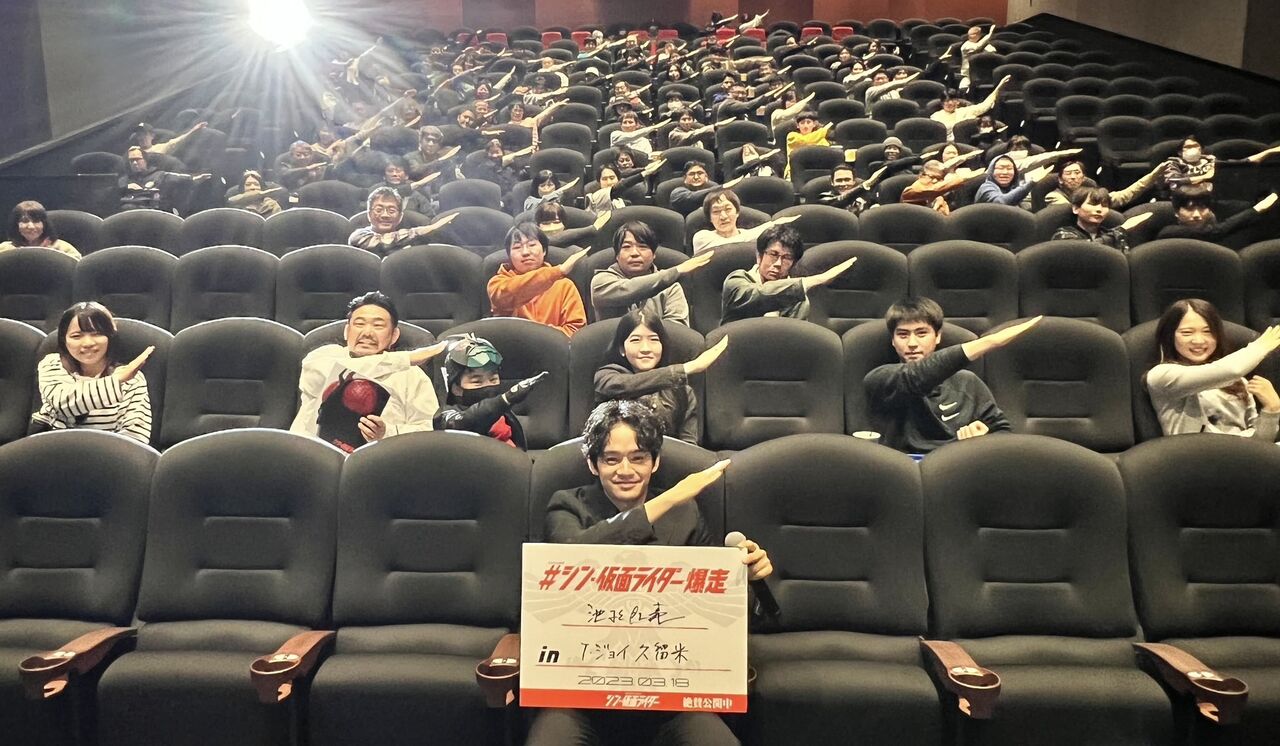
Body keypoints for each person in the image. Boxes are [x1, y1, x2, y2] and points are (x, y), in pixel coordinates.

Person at [530, 399, 770, 745]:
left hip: (672, 695)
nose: (625, 470)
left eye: (638, 458)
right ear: (593, 464)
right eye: (611, 459)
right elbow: (576, 558)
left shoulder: (686, 513)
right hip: (579, 697)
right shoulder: (566, 505)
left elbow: (718, 614)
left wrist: (750, 582)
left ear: (655, 462)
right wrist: (667, 500)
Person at [864, 298, 1042, 454]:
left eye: (921, 333)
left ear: (937, 336)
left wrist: (983, 437)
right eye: (903, 335)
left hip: (957, 467)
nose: (912, 343)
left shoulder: (967, 382)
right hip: (903, 468)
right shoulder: (879, 379)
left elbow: (1002, 432)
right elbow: (917, 377)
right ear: (893, 340)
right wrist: (987, 343)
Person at [290, 292, 442, 453]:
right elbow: (344, 371)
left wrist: (386, 433)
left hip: (382, 458)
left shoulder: (412, 375)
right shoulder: (322, 357)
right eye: (359, 324)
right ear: (346, 331)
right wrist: (405, 358)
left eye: (378, 326)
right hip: (311, 455)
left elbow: (428, 431)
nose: (367, 332)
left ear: (394, 335)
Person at [1146, 298, 1280, 440]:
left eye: (1208, 331)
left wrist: (1272, 409)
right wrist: (1259, 347)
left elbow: (1260, 443)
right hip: (1195, 452)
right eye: (1187, 333)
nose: (1199, 340)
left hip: (1240, 452)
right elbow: (1232, 370)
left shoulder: (1238, 382)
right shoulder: (1162, 376)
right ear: (1169, 336)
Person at [595, 310, 727, 444]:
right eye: (635, 340)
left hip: (669, 456)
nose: (645, 348)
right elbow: (622, 386)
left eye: (653, 340)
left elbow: (688, 445)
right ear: (622, 349)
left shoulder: (682, 392)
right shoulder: (607, 377)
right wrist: (687, 368)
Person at [30, 302, 152, 444]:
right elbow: (61, 403)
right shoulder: (52, 364)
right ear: (64, 340)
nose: (88, 343)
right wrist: (116, 381)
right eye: (76, 336)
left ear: (110, 336)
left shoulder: (132, 378)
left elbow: (135, 437)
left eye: (97, 334)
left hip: (109, 454)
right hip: (53, 449)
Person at [721, 225, 857, 324]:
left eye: (787, 258)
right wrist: (815, 280)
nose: (778, 263)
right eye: (773, 254)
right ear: (759, 256)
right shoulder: (737, 280)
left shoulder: (798, 299)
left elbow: (792, 339)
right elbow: (759, 295)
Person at [433, 333, 547, 450]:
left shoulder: (503, 411)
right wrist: (506, 399)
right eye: (477, 381)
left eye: (493, 379)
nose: (488, 386)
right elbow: (465, 421)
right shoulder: (445, 416)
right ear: (456, 388)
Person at [591, 221, 712, 324]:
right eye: (627, 247)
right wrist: (676, 271)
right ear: (617, 255)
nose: (635, 253)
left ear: (654, 254)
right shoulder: (601, 282)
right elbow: (628, 288)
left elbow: (678, 331)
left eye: (642, 247)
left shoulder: (671, 287)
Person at [487, 222, 588, 337]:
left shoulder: (565, 285)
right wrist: (557, 271)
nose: (525, 252)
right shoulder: (497, 284)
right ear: (509, 255)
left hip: (554, 346)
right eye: (517, 247)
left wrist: (538, 338)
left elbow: (575, 331)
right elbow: (507, 295)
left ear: (544, 250)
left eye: (531, 245)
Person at [346, 187, 457, 256]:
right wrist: (430, 228)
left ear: (400, 216)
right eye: (379, 210)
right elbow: (383, 243)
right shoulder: (358, 236)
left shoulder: (412, 240)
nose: (385, 215)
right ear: (369, 214)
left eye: (391, 211)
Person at [691, 189, 798, 254]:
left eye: (728, 209)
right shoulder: (702, 237)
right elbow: (730, 248)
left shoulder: (749, 235)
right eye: (716, 212)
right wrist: (770, 225)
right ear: (709, 218)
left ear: (737, 212)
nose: (723, 216)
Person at [1156, 186, 1278, 241]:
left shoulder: (1213, 219)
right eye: (1190, 209)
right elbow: (1215, 233)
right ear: (1176, 212)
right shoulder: (1168, 233)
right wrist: (1256, 210)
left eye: (1202, 208)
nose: (1197, 214)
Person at [1049, 187, 1153, 251]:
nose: (1099, 209)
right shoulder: (1063, 234)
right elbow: (1084, 251)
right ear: (1076, 208)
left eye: (1104, 205)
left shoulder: (1110, 234)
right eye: (1093, 204)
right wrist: (1121, 230)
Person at [119, 146, 211, 213]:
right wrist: (126, 187)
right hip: (126, 213)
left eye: (138, 159)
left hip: (151, 213)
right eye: (132, 160)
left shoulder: (159, 175)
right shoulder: (124, 180)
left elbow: (179, 178)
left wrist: (194, 179)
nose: (135, 163)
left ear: (145, 160)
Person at [930, 77, 1011, 140]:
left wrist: (998, 88)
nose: (950, 103)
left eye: (953, 100)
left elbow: (985, 105)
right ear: (942, 103)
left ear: (958, 102)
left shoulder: (966, 111)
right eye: (947, 101)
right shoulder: (935, 116)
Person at [900, 159, 985, 215]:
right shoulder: (910, 191)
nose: (935, 181)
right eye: (932, 177)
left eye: (939, 178)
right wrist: (962, 178)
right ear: (921, 175)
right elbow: (933, 190)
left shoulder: (939, 197)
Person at [1, 200, 81, 258]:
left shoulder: (63, 249)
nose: (31, 226)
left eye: (36, 221)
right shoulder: (4, 250)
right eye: (25, 221)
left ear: (44, 224)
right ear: (16, 225)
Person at [973, 154, 1051, 207]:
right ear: (991, 171)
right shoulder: (986, 187)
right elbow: (1001, 203)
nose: (1005, 172)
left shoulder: (1013, 187)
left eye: (1009, 168)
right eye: (1000, 168)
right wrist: (1031, 183)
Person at [819, 163, 888, 215]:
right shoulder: (824, 197)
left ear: (854, 181)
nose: (843, 184)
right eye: (839, 180)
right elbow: (835, 204)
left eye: (847, 180)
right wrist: (864, 186)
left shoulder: (866, 197)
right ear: (832, 182)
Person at [783, 110, 831, 181]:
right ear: (797, 125)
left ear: (814, 124)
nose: (805, 126)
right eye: (802, 123)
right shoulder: (792, 136)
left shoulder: (821, 139)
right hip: (794, 172)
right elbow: (806, 140)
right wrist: (823, 131)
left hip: (817, 171)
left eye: (808, 122)